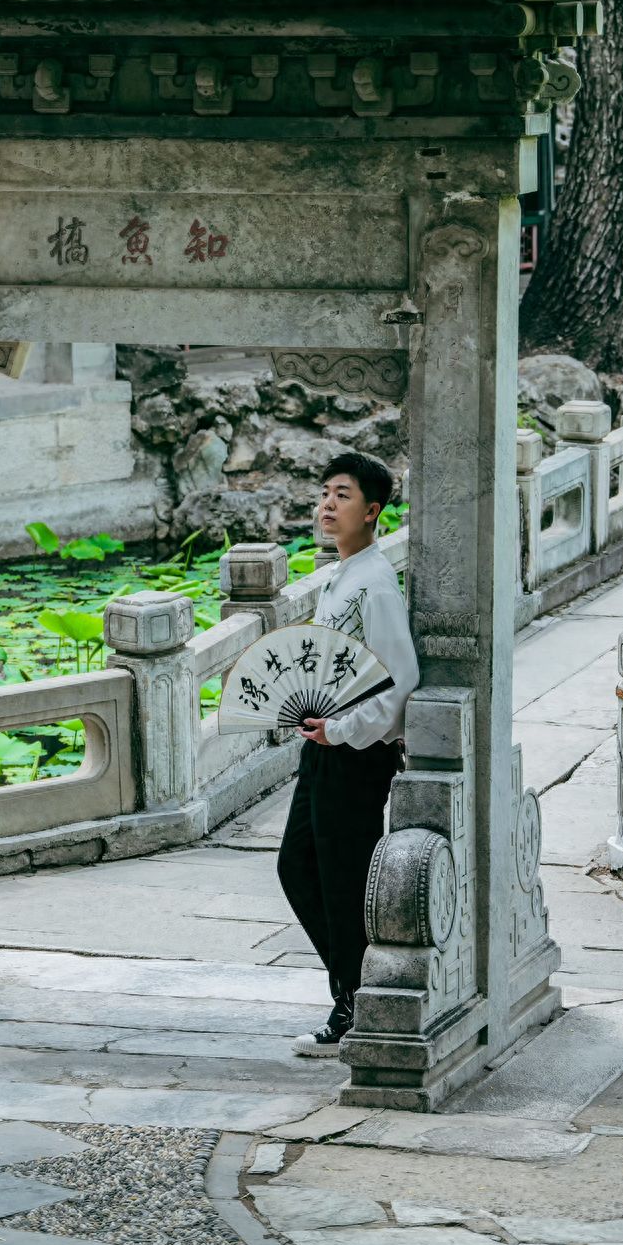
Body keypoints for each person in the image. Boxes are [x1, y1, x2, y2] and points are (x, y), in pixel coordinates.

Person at [277, 450, 419, 1055]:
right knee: (297, 865)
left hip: (354, 754)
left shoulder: (376, 585)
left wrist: (343, 731)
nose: (328, 505)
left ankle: (353, 1005)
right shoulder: (343, 576)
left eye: (343, 495)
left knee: (341, 879)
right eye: (326, 493)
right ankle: (350, 991)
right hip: (325, 746)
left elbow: (401, 678)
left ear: (373, 511)